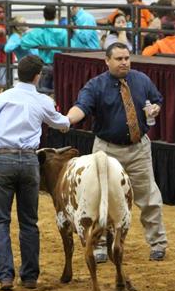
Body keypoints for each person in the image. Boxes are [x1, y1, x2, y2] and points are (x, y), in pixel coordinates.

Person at [65, 42, 168, 263]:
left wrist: (156, 108)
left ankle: (158, 243)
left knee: (149, 196)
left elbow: (157, 99)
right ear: (107, 61)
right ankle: (100, 245)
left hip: (139, 148)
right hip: (106, 150)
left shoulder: (141, 80)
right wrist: (66, 120)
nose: (124, 62)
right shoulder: (96, 86)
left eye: (127, 58)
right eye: (119, 59)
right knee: (101, 197)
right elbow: (81, 107)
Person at [0, 54, 71, 291]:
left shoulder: (1, 99)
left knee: (0, 220)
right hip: (30, 161)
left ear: (17, 72)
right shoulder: (42, 101)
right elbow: (62, 124)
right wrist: (70, 117)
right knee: (29, 221)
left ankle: (5, 276)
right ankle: (29, 276)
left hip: (3, 158)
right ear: (37, 76)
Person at [21, 5, 68, 92]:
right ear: (55, 15)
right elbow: (67, 47)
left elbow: (24, 43)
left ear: (44, 15)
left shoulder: (39, 31)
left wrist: (39, 43)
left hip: (45, 64)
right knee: (58, 93)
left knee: (42, 93)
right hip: (59, 65)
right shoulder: (62, 31)